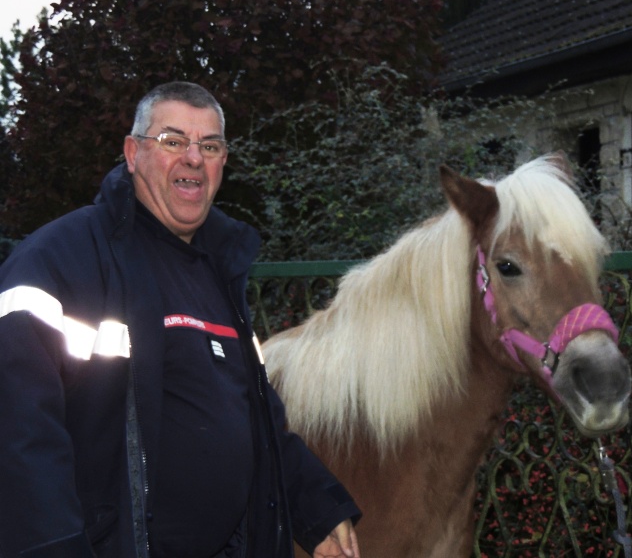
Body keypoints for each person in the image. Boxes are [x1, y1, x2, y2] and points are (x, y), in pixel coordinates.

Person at [0, 82, 361, 558]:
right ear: (133, 153)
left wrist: (319, 509)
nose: (194, 158)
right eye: (173, 141)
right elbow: (19, 432)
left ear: (222, 164)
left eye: (209, 146)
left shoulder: (220, 274)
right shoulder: (59, 261)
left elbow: (258, 425)